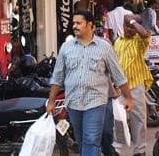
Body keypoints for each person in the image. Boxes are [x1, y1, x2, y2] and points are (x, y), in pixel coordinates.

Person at [47, 11, 133, 156]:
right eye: (73, 23)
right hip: (73, 102)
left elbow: (118, 75)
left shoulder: (104, 47)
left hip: (96, 102)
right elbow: (57, 77)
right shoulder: (66, 48)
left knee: (91, 140)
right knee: (81, 142)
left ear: (90, 25)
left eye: (79, 23)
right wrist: (51, 101)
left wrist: (129, 97)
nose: (74, 26)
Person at [113, 14, 152, 156]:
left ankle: (140, 150)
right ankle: (117, 149)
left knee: (139, 119)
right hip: (120, 86)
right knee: (118, 118)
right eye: (126, 26)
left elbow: (144, 33)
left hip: (135, 84)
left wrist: (133, 22)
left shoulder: (140, 41)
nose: (129, 29)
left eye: (132, 27)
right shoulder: (118, 42)